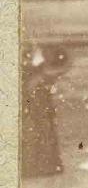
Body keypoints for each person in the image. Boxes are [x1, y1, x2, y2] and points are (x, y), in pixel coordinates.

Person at [21, 45, 65, 178]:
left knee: (39, 133)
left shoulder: (32, 75)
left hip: (36, 106)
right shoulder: (37, 76)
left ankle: (40, 165)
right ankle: (44, 165)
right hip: (38, 107)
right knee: (42, 133)